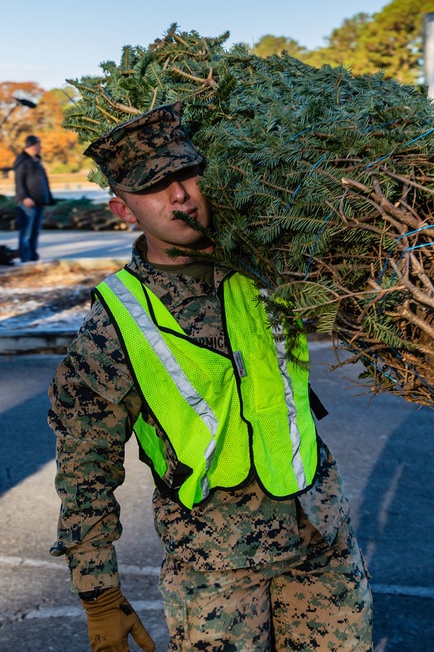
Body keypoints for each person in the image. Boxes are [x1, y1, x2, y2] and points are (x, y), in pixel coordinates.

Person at [48, 103, 372, 652]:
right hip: (215, 570)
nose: (179, 194)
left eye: (186, 174)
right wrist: (98, 594)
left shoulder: (270, 266)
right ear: (122, 208)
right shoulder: (114, 326)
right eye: (155, 186)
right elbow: (85, 471)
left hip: (321, 537)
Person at [12, 134, 54, 262]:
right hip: (27, 202)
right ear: (32, 145)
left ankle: (33, 255)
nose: (40, 147)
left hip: (39, 201)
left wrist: (49, 197)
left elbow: (43, 181)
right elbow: (19, 182)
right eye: (38, 144)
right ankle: (25, 257)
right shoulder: (22, 161)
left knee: (35, 232)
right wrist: (24, 197)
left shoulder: (36, 160)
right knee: (27, 232)